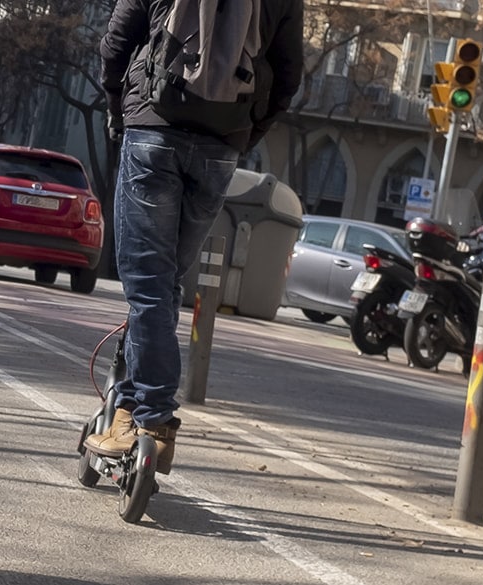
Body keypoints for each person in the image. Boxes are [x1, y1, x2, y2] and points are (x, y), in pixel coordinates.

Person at [82, 0, 304, 474]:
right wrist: (244, 132)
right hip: (222, 144)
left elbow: (116, 42)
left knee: (148, 286)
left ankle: (155, 417)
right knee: (160, 289)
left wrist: (119, 108)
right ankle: (124, 406)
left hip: (153, 130)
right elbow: (288, 76)